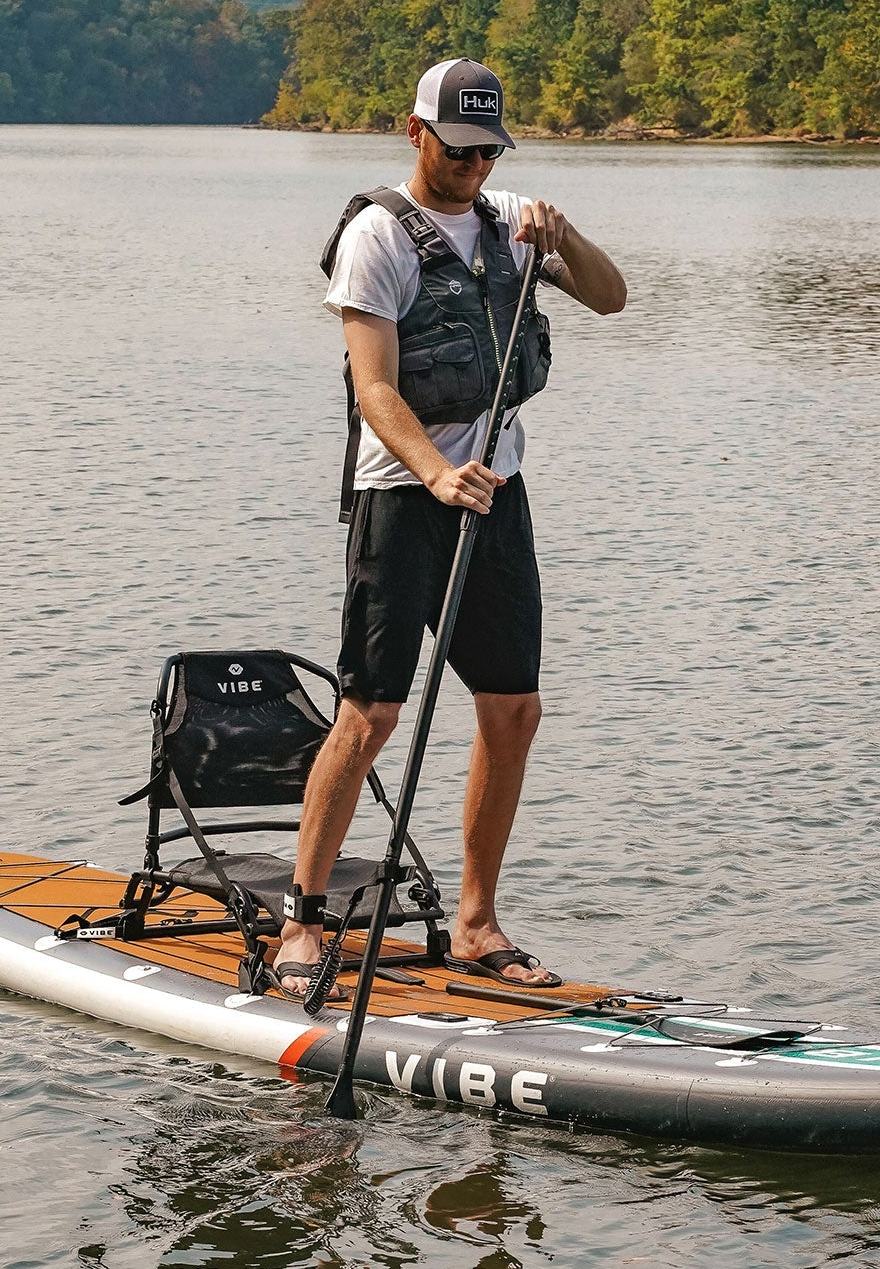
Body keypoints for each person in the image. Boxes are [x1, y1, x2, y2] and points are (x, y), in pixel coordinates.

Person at [271, 57, 627, 1001]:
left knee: (514, 709)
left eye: (488, 150)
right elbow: (375, 386)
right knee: (373, 711)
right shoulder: (379, 238)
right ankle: (304, 920)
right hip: (402, 500)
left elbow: (612, 296)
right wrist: (435, 470)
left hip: (497, 498)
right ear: (417, 132)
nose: (474, 166)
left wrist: (566, 233)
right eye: (459, 148)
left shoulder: (510, 223)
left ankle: (476, 924)